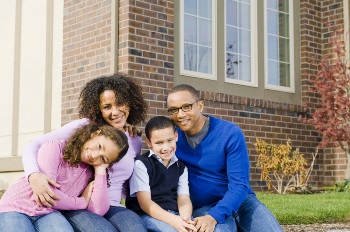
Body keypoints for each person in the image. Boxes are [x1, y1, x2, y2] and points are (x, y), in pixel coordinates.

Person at [21, 74, 148, 231]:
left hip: (114, 206)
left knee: (136, 229)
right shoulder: (86, 129)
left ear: (130, 103)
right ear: (98, 109)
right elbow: (33, 144)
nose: (115, 112)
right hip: (81, 204)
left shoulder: (134, 140)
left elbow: (127, 183)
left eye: (120, 103)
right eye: (107, 107)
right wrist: (33, 175)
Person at [166, 84, 283, 232]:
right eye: (173, 110)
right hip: (205, 206)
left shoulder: (230, 133)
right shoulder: (170, 138)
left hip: (241, 202)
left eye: (186, 107)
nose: (180, 115)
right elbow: (152, 140)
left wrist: (213, 217)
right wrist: (129, 130)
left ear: (200, 106)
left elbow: (239, 185)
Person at [0, 123, 129, 232]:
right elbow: (47, 194)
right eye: (99, 146)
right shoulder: (54, 147)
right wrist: (81, 202)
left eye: (103, 158)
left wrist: (100, 171)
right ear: (94, 134)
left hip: (48, 213)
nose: (95, 155)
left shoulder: (90, 173)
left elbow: (98, 211)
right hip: (16, 207)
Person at [126, 116, 197, 232]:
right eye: (159, 143)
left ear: (176, 136)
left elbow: (183, 198)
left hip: (175, 214)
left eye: (170, 140)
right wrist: (174, 221)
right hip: (148, 215)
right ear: (148, 142)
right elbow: (145, 203)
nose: (166, 147)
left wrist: (185, 218)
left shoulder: (181, 167)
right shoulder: (142, 164)